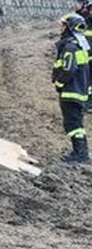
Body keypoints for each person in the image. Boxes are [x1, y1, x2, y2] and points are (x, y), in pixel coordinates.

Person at [54, 14, 90, 163]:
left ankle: (80, 154)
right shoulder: (81, 46)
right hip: (79, 91)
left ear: (69, 28)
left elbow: (68, 69)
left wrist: (59, 84)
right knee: (77, 123)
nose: (60, 28)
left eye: (63, 25)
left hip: (71, 92)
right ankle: (81, 151)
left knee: (72, 124)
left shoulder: (69, 47)